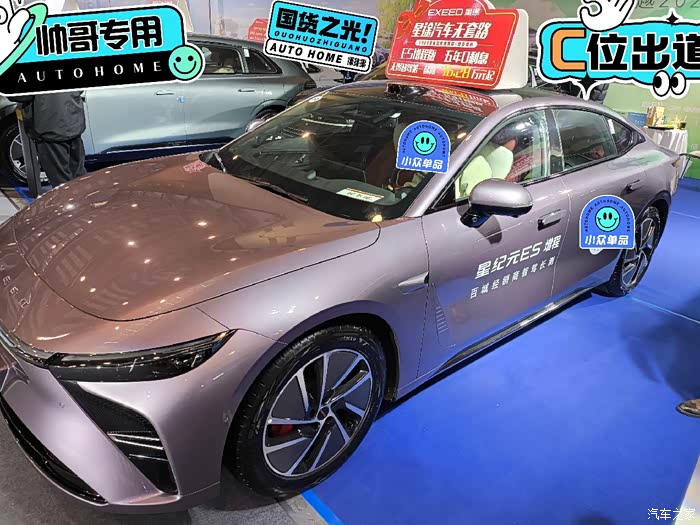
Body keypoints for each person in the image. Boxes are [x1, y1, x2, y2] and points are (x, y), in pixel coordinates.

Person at [9, 92, 87, 187]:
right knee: (79, 177)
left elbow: (20, 95)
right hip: (73, 121)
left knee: (61, 182)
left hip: (49, 126)